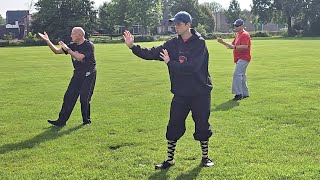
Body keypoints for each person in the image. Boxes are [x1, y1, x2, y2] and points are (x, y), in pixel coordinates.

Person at [123, 11, 214, 169]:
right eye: (174, 24)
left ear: (188, 25)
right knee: (173, 125)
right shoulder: (172, 44)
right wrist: (133, 47)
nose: (175, 27)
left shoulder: (199, 43)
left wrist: (170, 63)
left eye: (179, 24)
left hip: (200, 92)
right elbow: (151, 53)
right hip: (181, 93)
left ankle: (205, 158)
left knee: (202, 125)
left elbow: (192, 67)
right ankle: (170, 159)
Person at [38, 27, 96, 127]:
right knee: (69, 97)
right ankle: (61, 121)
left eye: (73, 34)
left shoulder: (88, 45)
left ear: (80, 35)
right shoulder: (73, 45)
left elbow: (79, 57)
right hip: (78, 74)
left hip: (88, 74)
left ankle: (86, 121)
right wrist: (47, 40)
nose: (70, 35)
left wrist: (67, 49)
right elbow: (56, 51)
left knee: (84, 98)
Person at [217, 19, 251, 100]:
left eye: (237, 25)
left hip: (244, 58)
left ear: (242, 26)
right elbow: (231, 45)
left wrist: (234, 47)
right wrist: (223, 42)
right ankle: (245, 93)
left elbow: (245, 46)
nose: (235, 27)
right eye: (235, 25)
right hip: (239, 58)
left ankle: (238, 94)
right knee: (242, 75)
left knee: (237, 75)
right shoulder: (238, 35)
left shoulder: (244, 34)